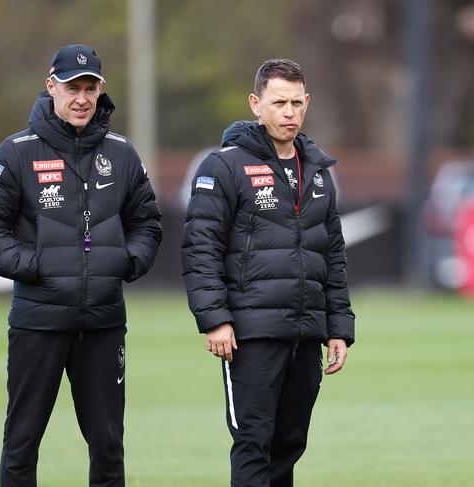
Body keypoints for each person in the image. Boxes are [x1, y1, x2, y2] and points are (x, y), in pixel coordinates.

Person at [0, 44, 162, 486]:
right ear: (51, 87)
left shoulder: (121, 153)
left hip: (102, 324)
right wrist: (35, 265)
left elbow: (147, 223)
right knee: (21, 443)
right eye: (71, 88)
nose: (81, 98)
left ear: (100, 91)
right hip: (37, 323)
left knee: (108, 446)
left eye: (90, 88)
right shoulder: (17, 152)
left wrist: (125, 261)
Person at [181, 58, 355, 487]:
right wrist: (215, 319)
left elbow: (332, 253)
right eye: (279, 102)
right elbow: (200, 248)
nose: (289, 112)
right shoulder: (222, 167)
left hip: (306, 331)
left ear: (307, 102)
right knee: (253, 442)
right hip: (250, 334)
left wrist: (339, 326)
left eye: (297, 102)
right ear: (256, 104)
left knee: (289, 444)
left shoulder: (317, 170)